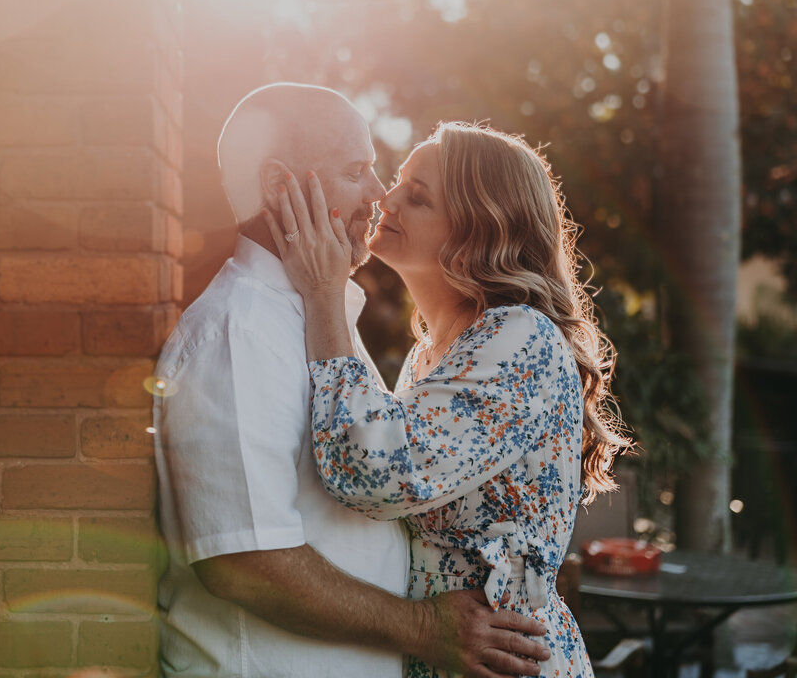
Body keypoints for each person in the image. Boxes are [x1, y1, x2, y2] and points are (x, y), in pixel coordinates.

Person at [152, 85, 552, 678]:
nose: (378, 196)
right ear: (280, 187)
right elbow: (242, 561)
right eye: (356, 170)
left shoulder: (314, 317)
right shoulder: (240, 332)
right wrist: (422, 627)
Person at [264, 121, 633, 678]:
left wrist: (322, 293)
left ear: (478, 233)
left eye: (417, 197)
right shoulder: (434, 352)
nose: (384, 200)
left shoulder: (519, 338)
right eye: (398, 183)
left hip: (509, 660)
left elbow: (373, 471)